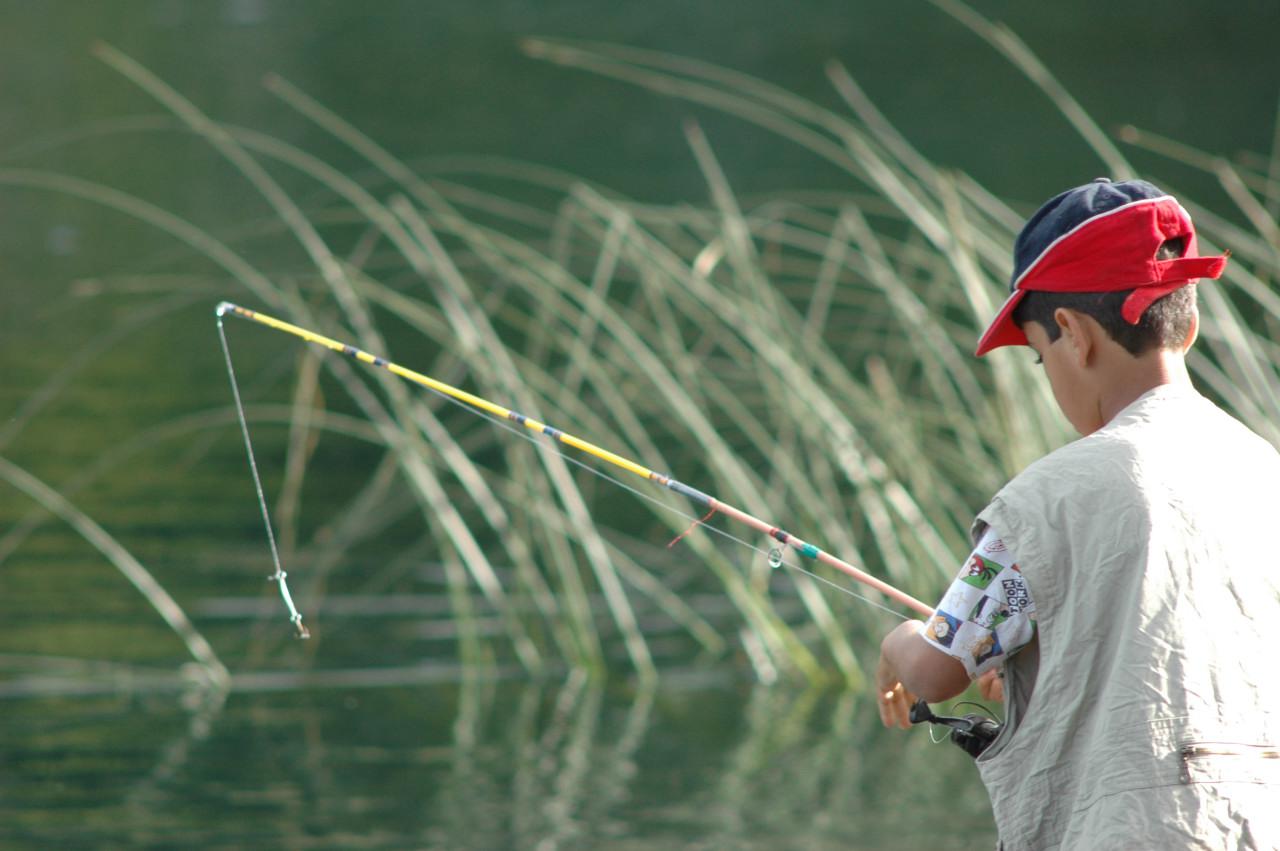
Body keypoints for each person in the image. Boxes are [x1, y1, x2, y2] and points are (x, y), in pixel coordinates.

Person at [874, 178, 1280, 849]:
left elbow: (936, 671)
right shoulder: (1262, 468)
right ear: (1192, 322)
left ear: (1071, 334)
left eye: (1039, 357)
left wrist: (898, 640)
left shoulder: (1047, 498)